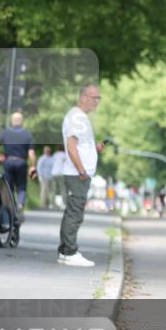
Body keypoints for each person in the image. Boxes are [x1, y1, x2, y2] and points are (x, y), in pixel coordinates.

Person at [58, 84, 105, 267]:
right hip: (77, 174)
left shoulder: (80, 117)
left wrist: (94, 150)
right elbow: (71, 147)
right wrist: (82, 171)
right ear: (83, 97)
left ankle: (65, 251)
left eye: (98, 98)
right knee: (75, 213)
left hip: (79, 173)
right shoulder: (76, 117)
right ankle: (70, 252)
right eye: (94, 97)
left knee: (72, 212)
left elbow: (80, 146)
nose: (97, 101)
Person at [0, 111, 37, 211]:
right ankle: (20, 204)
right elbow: (31, 153)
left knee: (9, 186)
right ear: (22, 121)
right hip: (21, 163)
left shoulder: (6, 132)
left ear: (12, 121)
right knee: (22, 187)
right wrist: (33, 166)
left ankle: (11, 207)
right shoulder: (27, 134)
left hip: (8, 162)